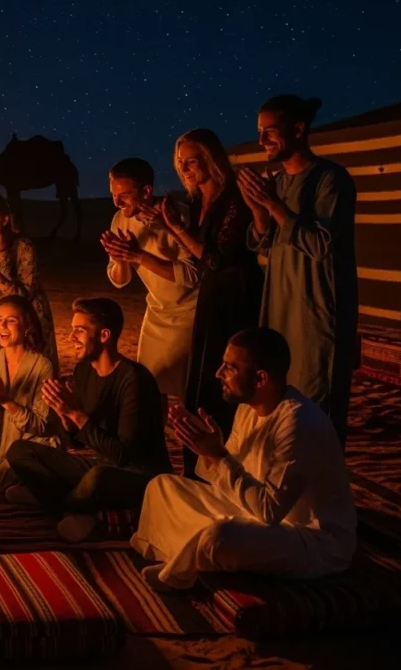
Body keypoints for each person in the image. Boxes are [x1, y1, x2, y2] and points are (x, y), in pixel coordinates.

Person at [131, 328, 357, 591]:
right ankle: (190, 557)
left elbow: (269, 511)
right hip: (252, 514)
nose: (218, 374)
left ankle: (184, 566)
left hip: (309, 540)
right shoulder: (247, 410)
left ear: (260, 378)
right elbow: (228, 482)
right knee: (162, 488)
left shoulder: (298, 423)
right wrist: (208, 451)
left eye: (229, 368)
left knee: (220, 537)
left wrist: (219, 455)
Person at [239, 95, 357, 448]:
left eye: (270, 132)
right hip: (280, 303)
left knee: (317, 402)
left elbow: (320, 244)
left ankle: (325, 494)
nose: (261, 142)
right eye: (259, 133)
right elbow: (266, 244)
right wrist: (259, 211)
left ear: (298, 130)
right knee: (280, 395)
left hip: (317, 310)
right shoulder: (277, 183)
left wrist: (272, 204)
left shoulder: (330, 179)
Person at [5, 297, 172, 542]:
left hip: (139, 475)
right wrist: (64, 415)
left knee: (98, 477)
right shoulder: (82, 370)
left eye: (80, 331)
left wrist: (75, 414)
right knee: (19, 451)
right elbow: (81, 443)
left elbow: (122, 455)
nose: (71, 337)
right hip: (99, 463)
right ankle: (77, 507)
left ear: (104, 335)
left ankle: (63, 504)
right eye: (72, 330)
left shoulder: (135, 380)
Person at [154, 129, 264, 477]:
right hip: (211, 294)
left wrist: (175, 229)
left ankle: (227, 466)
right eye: (180, 163)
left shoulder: (233, 200)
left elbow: (216, 259)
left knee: (226, 378)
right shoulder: (197, 202)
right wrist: (167, 224)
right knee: (201, 379)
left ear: (211, 160)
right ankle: (198, 468)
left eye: (192, 160)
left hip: (235, 296)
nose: (185, 168)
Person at [99, 158, 199, 410]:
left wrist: (137, 255)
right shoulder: (120, 220)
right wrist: (121, 258)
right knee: (149, 387)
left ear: (146, 191)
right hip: (157, 312)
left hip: (190, 313)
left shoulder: (177, 216)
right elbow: (120, 281)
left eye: (125, 195)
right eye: (113, 194)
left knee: (188, 389)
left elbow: (191, 276)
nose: (118, 202)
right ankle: (153, 443)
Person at [0, 192, 58, 372]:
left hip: (26, 317)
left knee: (29, 372)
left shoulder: (23, 247)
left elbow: (25, 298)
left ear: (5, 220)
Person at [0, 295, 56, 492]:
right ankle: (14, 486)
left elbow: (40, 425)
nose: (3, 326)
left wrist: (7, 402)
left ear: (26, 326)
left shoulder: (42, 366)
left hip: (28, 446)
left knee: (2, 476)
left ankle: (23, 488)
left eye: (11, 320)